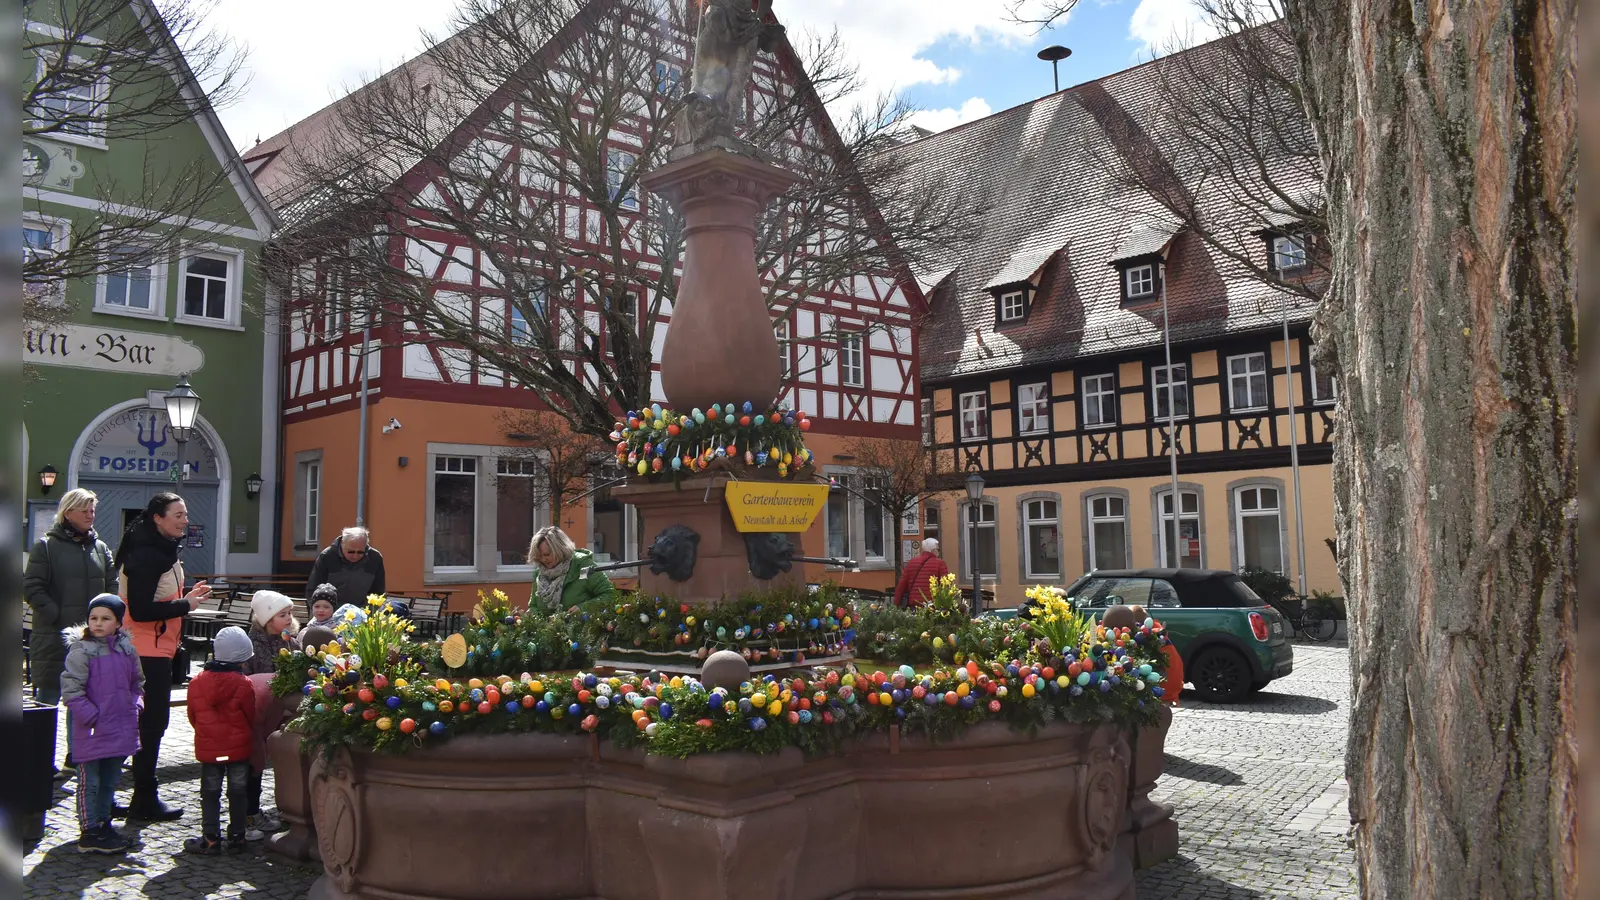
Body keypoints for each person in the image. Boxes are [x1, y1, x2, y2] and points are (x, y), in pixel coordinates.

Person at [116, 492, 210, 822]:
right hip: (145, 651)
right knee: (151, 725)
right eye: (178, 515)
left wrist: (187, 597)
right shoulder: (147, 554)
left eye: (185, 514)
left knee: (148, 725)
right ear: (158, 518)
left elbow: (156, 597)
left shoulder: (159, 549)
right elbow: (141, 610)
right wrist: (186, 605)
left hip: (155, 648)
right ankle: (142, 798)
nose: (185, 520)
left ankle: (128, 795)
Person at [60, 594, 143, 854]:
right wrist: (92, 717)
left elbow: (137, 684)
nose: (98, 623)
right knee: (90, 782)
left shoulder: (127, 650)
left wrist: (134, 707)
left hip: (119, 727)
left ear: (118, 623)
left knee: (109, 779)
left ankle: (104, 822)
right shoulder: (81, 651)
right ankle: (90, 831)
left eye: (105, 618)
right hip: (92, 730)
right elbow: (72, 691)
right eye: (93, 618)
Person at [25, 489, 114, 708]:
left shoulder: (100, 548)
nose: (90, 515)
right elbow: (32, 587)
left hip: (92, 638)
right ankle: (42, 734)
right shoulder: (46, 546)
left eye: (92, 511)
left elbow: (112, 585)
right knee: (47, 700)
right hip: (54, 638)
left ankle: (77, 735)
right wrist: (56, 615)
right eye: (84, 511)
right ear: (67, 513)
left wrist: (105, 617)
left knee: (84, 703)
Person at [184, 626, 256, 855]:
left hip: (210, 747)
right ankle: (237, 837)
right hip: (238, 749)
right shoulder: (244, 684)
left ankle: (210, 838)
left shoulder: (196, 682)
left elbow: (193, 716)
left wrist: (207, 733)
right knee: (238, 791)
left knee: (210, 792)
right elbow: (251, 716)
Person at [238, 590, 299, 835]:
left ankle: (288, 805)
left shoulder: (289, 640)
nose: (289, 618)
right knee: (253, 764)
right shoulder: (252, 644)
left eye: (290, 613)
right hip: (257, 712)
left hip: (281, 711)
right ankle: (249, 813)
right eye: (282, 615)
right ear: (266, 619)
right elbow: (246, 678)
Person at [528, 526, 615, 610]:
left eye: (547, 554)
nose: (543, 560)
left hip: (582, 620)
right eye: (539, 556)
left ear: (560, 549)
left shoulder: (581, 564)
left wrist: (583, 608)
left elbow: (609, 595)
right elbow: (533, 606)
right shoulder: (540, 573)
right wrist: (531, 614)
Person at [306, 526, 386, 609]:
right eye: (351, 552)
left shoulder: (375, 559)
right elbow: (312, 591)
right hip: (329, 613)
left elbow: (378, 593)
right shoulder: (327, 556)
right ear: (342, 544)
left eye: (360, 552)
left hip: (361, 612)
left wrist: (364, 612)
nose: (355, 556)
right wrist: (324, 612)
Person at [892, 538, 951, 608]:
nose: (938, 552)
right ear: (933, 550)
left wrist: (896, 603)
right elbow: (945, 586)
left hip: (914, 604)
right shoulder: (940, 563)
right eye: (938, 550)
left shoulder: (912, 562)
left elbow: (902, 585)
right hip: (932, 605)